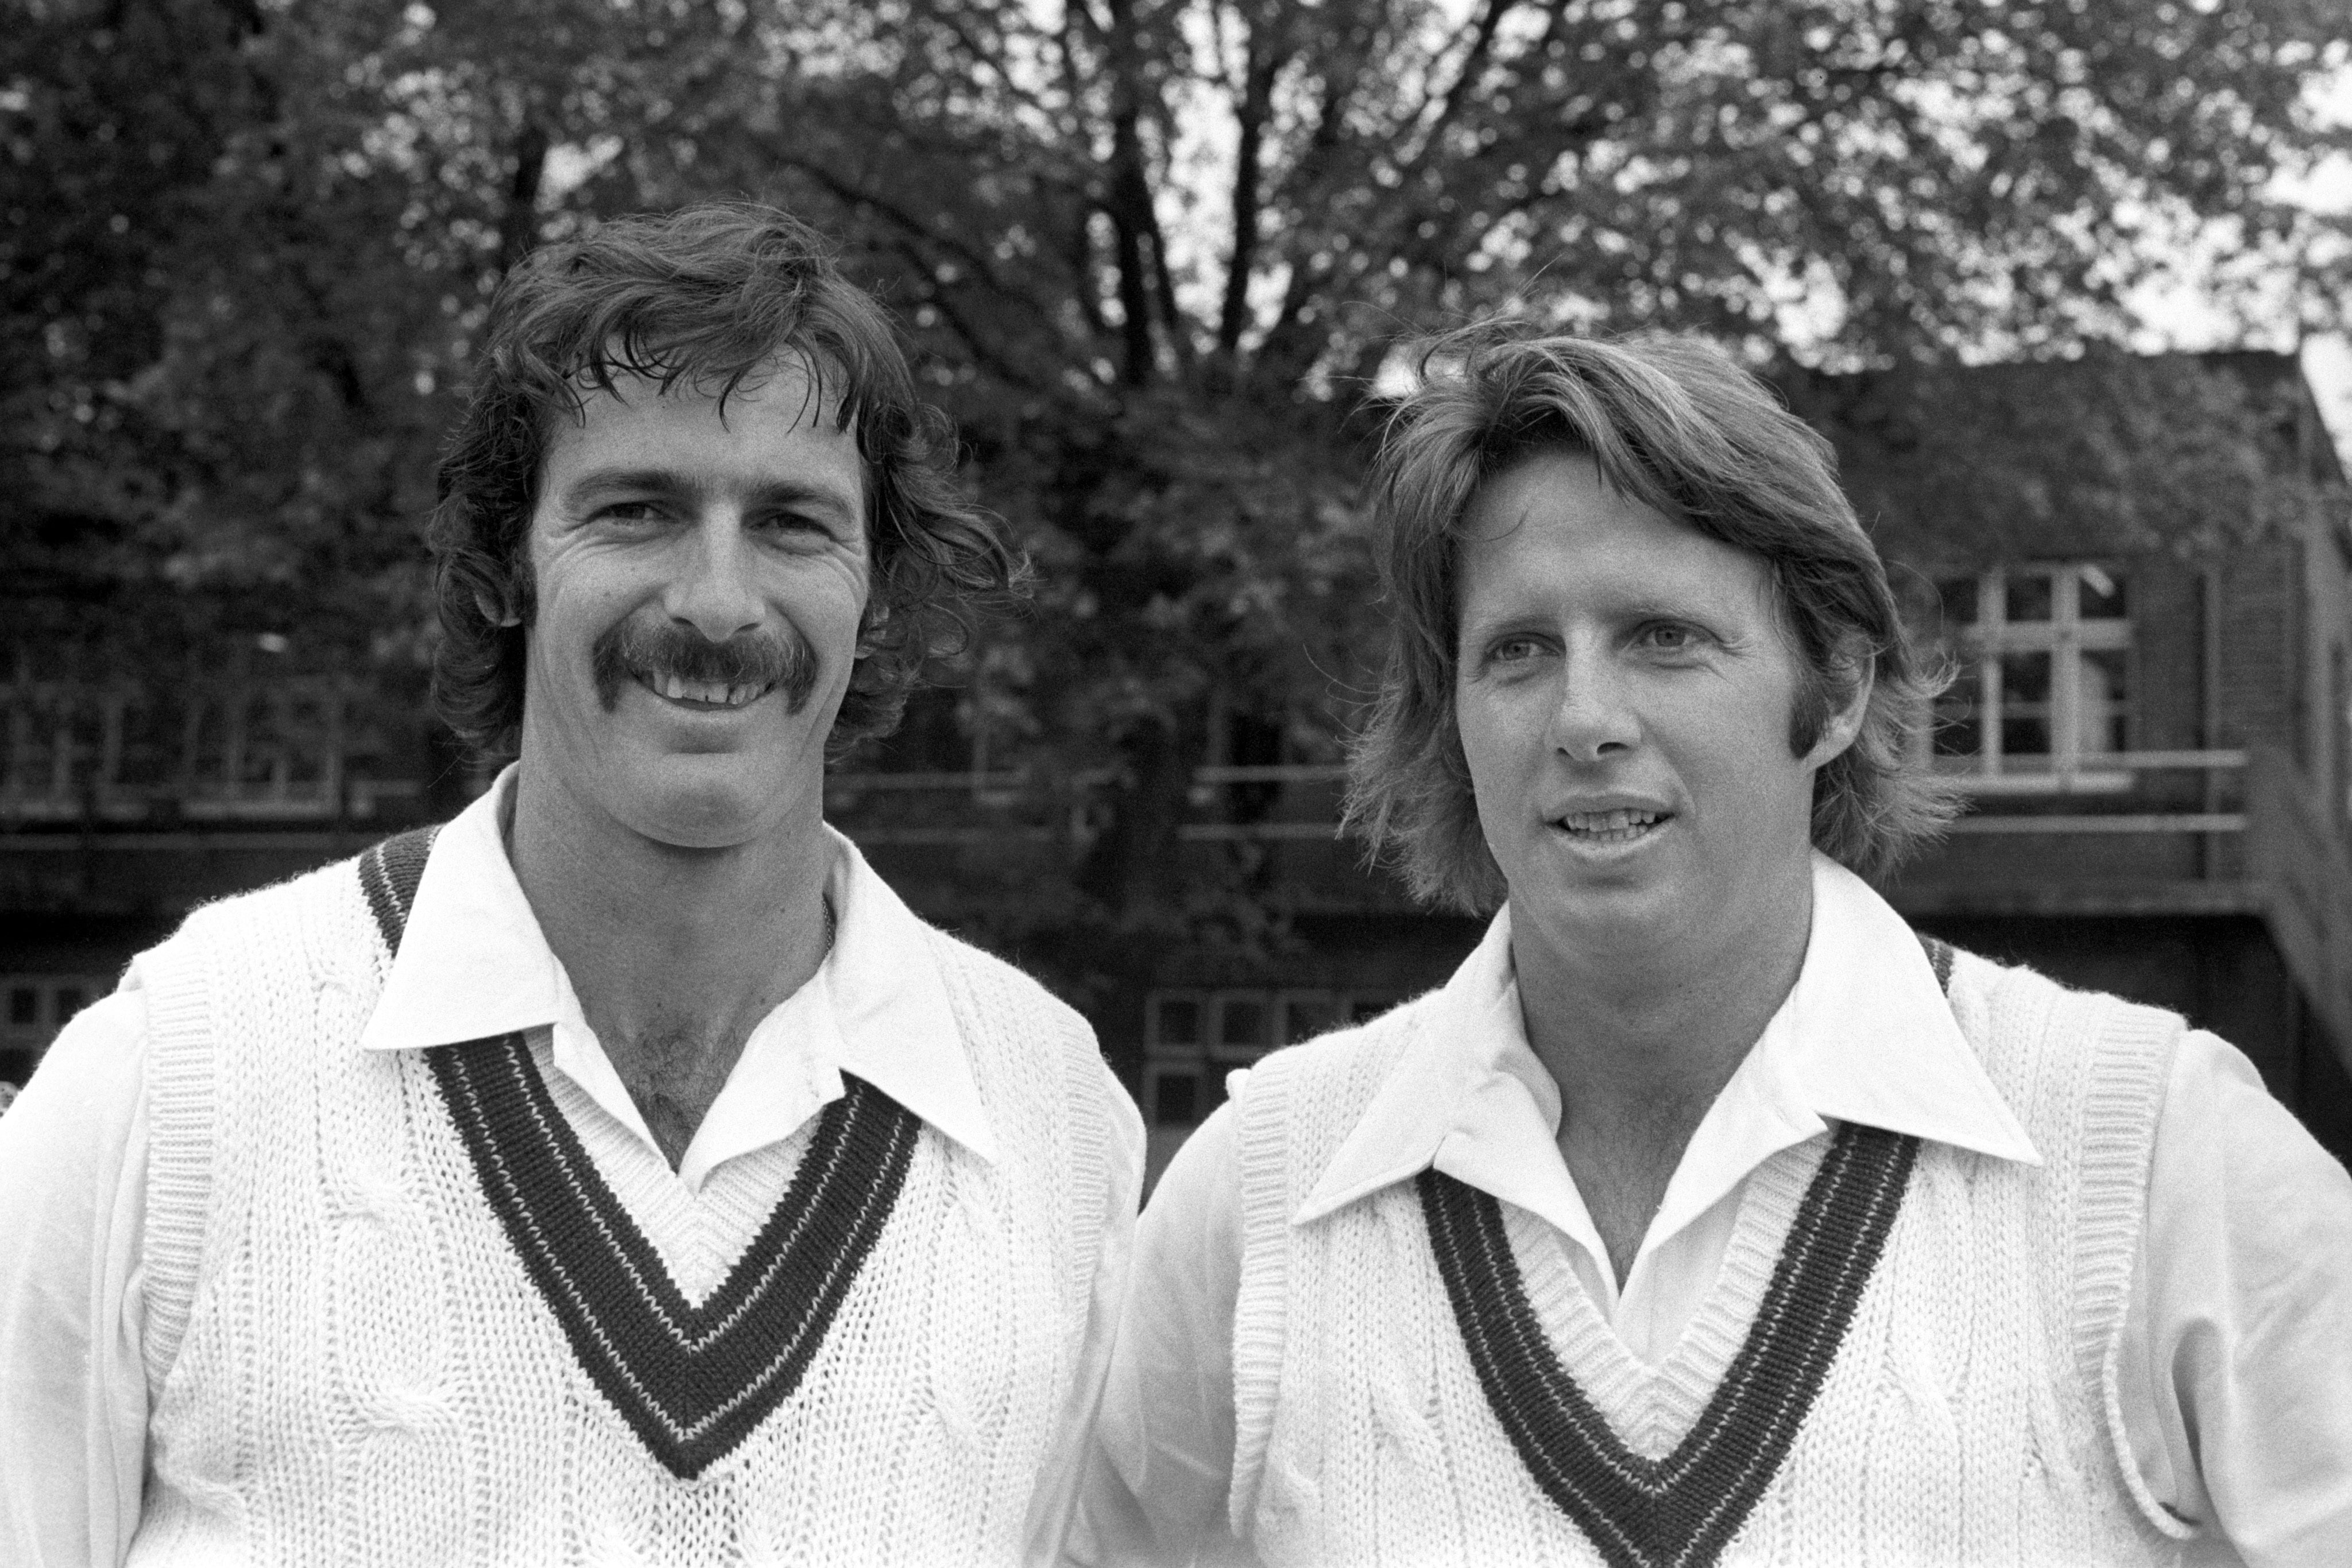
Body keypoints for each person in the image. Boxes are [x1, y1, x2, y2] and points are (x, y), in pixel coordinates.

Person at [1078, 323, 2352, 1566]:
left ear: (1837, 689)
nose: (1584, 717)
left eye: (1662, 638)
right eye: (1517, 651)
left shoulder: (2155, 1158)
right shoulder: (1258, 1195)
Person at [0, 202, 1142, 1565]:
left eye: (790, 523)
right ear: (502, 571)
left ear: (876, 594)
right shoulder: (174, 1072)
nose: (718, 604)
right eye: (637, 511)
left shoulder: (1053, 1114)